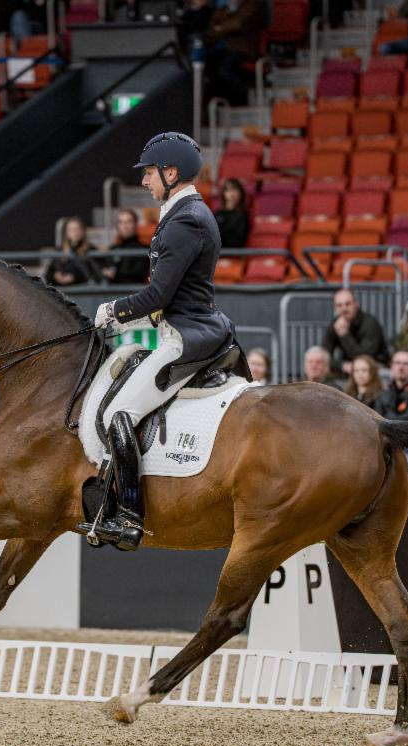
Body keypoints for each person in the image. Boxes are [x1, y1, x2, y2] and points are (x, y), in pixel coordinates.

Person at [84, 132, 236, 551]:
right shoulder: (187, 213)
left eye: (150, 173)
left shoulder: (185, 219)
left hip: (186, 335)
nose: (145, 181)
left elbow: (158, 295)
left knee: (117, 411)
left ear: (171, 173)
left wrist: (114, 311)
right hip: (192, 322)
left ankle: (129, 515)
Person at [202, 0, 265, 106]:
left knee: (224, 70)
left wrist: (220, 28)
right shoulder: (224, 8)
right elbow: (210, 30)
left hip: (242, 49)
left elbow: (240, 23)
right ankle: (221, 106)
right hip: (221, 50)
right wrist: (221, 28)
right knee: (207, 70)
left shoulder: (252, 3)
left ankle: (250, 97)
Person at [323, 288, 389, 375]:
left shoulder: (370, 323)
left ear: (356, 304)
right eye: (339, 305)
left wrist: (344, 335)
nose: (344, 309)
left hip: (375, 366)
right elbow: (324, 355)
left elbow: (364, 357)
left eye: (348, 304)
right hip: (348, 367)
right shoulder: (336, 324)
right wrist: (342, 365)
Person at [46, 217, 99, 286]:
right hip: (61, 291)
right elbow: (48, 274)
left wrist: (74, 278)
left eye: (77, 229)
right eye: (70, 229)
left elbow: (94, 274)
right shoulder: (60, 250)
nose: (74, 232)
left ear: (83, 231)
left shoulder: (91, 249)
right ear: (66, 232)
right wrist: (55, 276)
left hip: (82, 290)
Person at [103, 209, 151, 284]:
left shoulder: (144, 249)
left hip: (134, 293)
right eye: (121, 222)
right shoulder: (112, 249)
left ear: (135, 224)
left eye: (129, 222)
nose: (125, 226)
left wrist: (115, 274)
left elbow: (137, 276)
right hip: (112, 294)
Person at [213, 178, 249, 249]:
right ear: (224, 193)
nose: (231, 193)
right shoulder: (217, 214)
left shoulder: (243, 215)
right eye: (228, 190)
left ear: (240, 193)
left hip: (230, 253)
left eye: (234, 189)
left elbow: (237, 242)